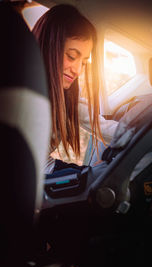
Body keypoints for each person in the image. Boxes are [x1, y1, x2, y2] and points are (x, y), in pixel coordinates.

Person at [32, 4, 118, 174]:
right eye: (71, 57)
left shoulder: (68, 99)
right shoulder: (15, 90)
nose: (78, 70)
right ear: (49, 47)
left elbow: (111, 130)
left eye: (84, 62)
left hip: (42, 171)